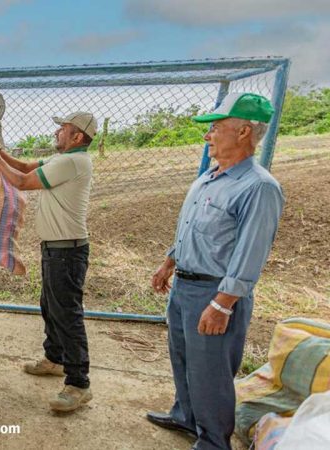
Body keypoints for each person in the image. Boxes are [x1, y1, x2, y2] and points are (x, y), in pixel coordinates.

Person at [147, 93, 284, 450]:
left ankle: (212, 441)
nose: (207, 136)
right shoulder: (211, 176)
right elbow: (194, 228)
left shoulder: (258, 186)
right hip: (185, 287)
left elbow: (250, 253)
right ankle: (186, 417)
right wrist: (169, 262)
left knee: (210, 373)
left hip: (214, 292)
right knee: (183, 359)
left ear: (243, 132)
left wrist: (223, 304)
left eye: (215, 128)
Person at [0, 111, 97, 412]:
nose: (57, 132)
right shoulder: (63, 161)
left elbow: (21, 181)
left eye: (63, 128)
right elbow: (22, 166)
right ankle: (54, 359)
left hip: (67, 252)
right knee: (51, 306)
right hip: (56, 249)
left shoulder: (72, 161)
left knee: (67, 314)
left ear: (77, 137)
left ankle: (78, 384)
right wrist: (2, 152)